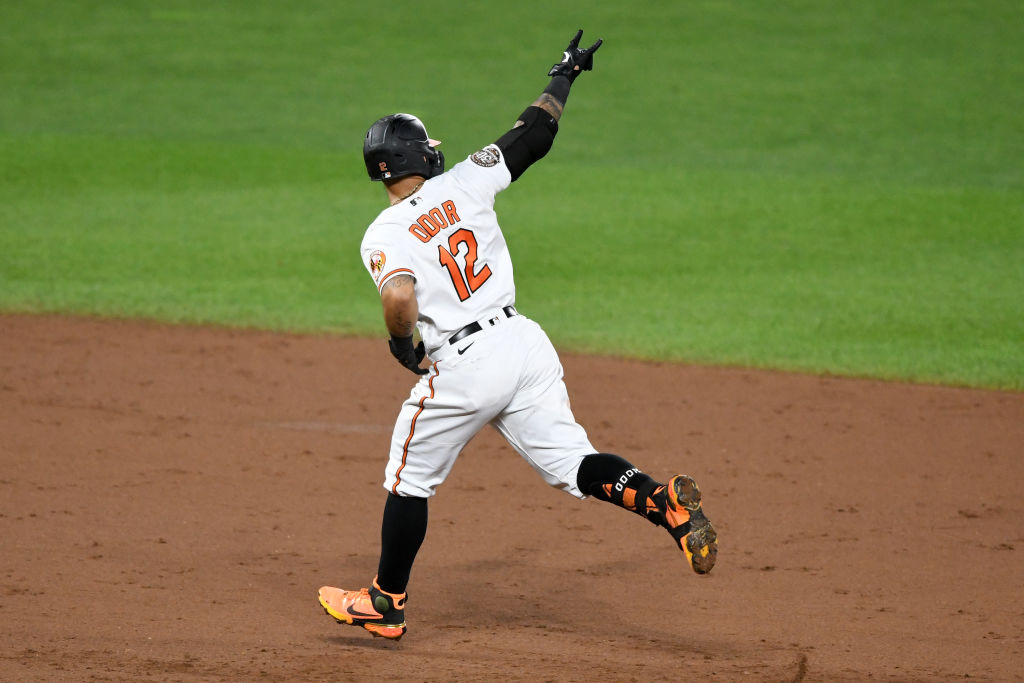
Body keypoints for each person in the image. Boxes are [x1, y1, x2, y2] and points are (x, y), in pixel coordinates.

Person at [318, 30, 717, 640]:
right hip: (525, 345)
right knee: (575, 462)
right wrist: (565, 73)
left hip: (466, 364)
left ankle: (386, 601)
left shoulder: (382, 233)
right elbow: (536, 131)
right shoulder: (466, 184)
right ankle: (661, 501)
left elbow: (399, 298)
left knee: (408, 479)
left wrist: (403, 346)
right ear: (416, 157)